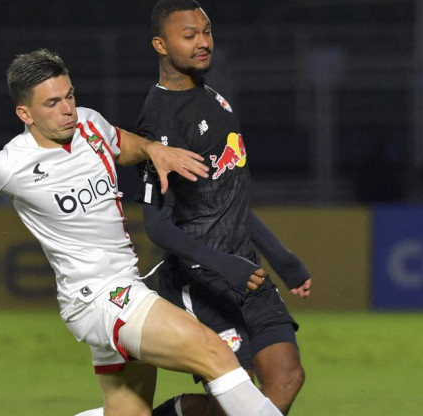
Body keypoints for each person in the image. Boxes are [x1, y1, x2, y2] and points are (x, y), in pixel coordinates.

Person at [0, 48, 286, 416]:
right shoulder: (7, 165)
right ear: (24, 113)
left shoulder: (89, 125)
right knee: (214, 353)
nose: (67, 109)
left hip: (121, 287)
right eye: (52, 104)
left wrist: (153, 149)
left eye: (69, 96)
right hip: (100, 300)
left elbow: (123, 142)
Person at [136, 1, 313, 415]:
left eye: (207, 32)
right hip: (201, 281)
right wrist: (221, 264)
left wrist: (282, 259)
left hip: (246, 270)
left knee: (287, 378)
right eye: (190, 35)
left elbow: (226, 200)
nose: (204, 43)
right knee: (240, 402)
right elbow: (156, 225)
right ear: (161, 45)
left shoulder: (215, 99)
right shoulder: (160, 120)